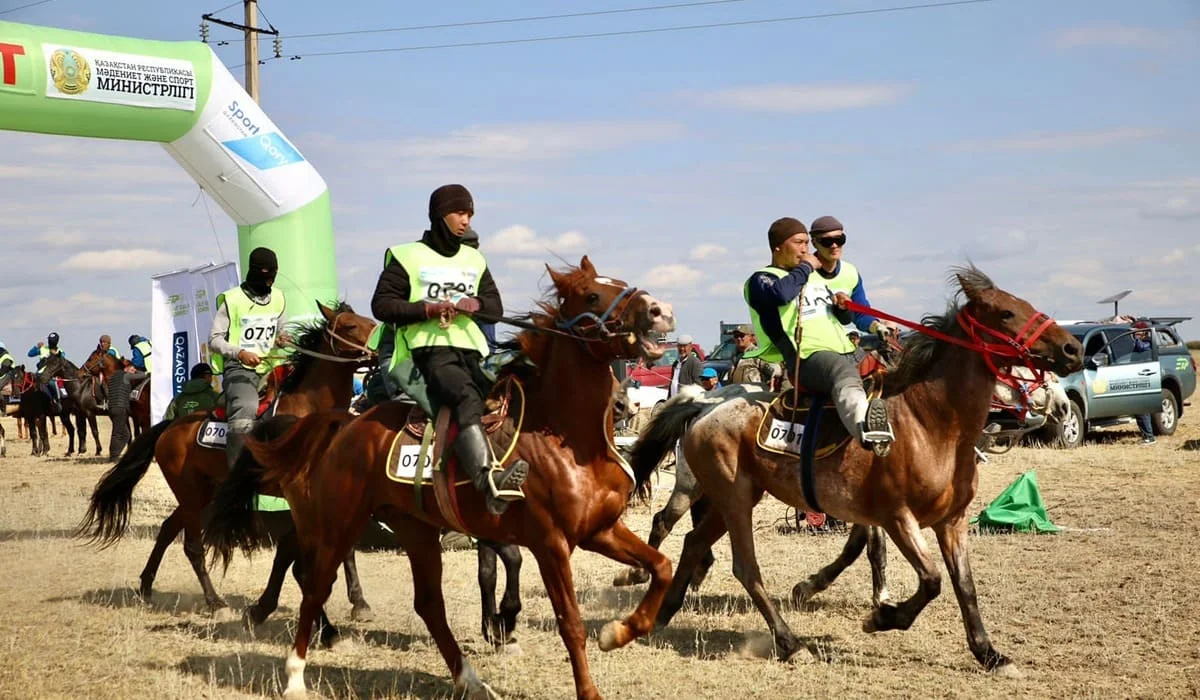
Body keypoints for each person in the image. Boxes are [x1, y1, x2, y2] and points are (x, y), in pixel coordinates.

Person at [370, 183, 526, 516]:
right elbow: (381, 306)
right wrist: (426, 309)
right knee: (465, 397)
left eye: (469, 214)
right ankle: (489, 484)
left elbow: (495, 306)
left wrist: (476, 302)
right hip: (428, 351)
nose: (466, 220)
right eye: (460, 213)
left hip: (472, 352)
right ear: (440, 215)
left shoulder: (474, 258)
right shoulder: (405, 256)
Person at [742, 216, 893, 451]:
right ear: (778, 247)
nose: (805, 249)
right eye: (799, 242)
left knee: (893, 371)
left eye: (806, 243)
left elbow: (841, 320)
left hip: (846, 350)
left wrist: (842, 309)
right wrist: (806, 267)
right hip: (805, 357)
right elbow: (780, 295)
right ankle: (868, 433)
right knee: (840, 371)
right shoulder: (761, 279)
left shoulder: (810, 279)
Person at [209, 247, 290, 470]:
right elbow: (214, 340)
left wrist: (283, 338)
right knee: (246, 406)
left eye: (272, 276)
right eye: (265, 276)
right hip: (240, 368)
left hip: (272, 367)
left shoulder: (280, 298)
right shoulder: (232, 299)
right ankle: (237, 474)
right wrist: (241, 353)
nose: (269, 282)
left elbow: (281, 330)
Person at [1131, 321, 1156, 445]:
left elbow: (1141, 348)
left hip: (1145, 376)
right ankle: (1148, 435)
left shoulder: (1149, 342)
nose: (1135, 334)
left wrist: (1134, 338)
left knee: (1142, 408)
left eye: (1137, 332)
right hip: (1139, 375)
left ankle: (1149, 437)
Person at [27, 332, 64, 413]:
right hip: (39, 374)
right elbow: (30, 354)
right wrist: (36, 347)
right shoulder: (43, 349)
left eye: (51, 341)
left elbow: (63, 361)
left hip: (51, 375)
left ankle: (56, 401)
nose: (50, 342)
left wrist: (58, 355)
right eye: (50, 341)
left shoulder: (60, 351)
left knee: (52, 384)